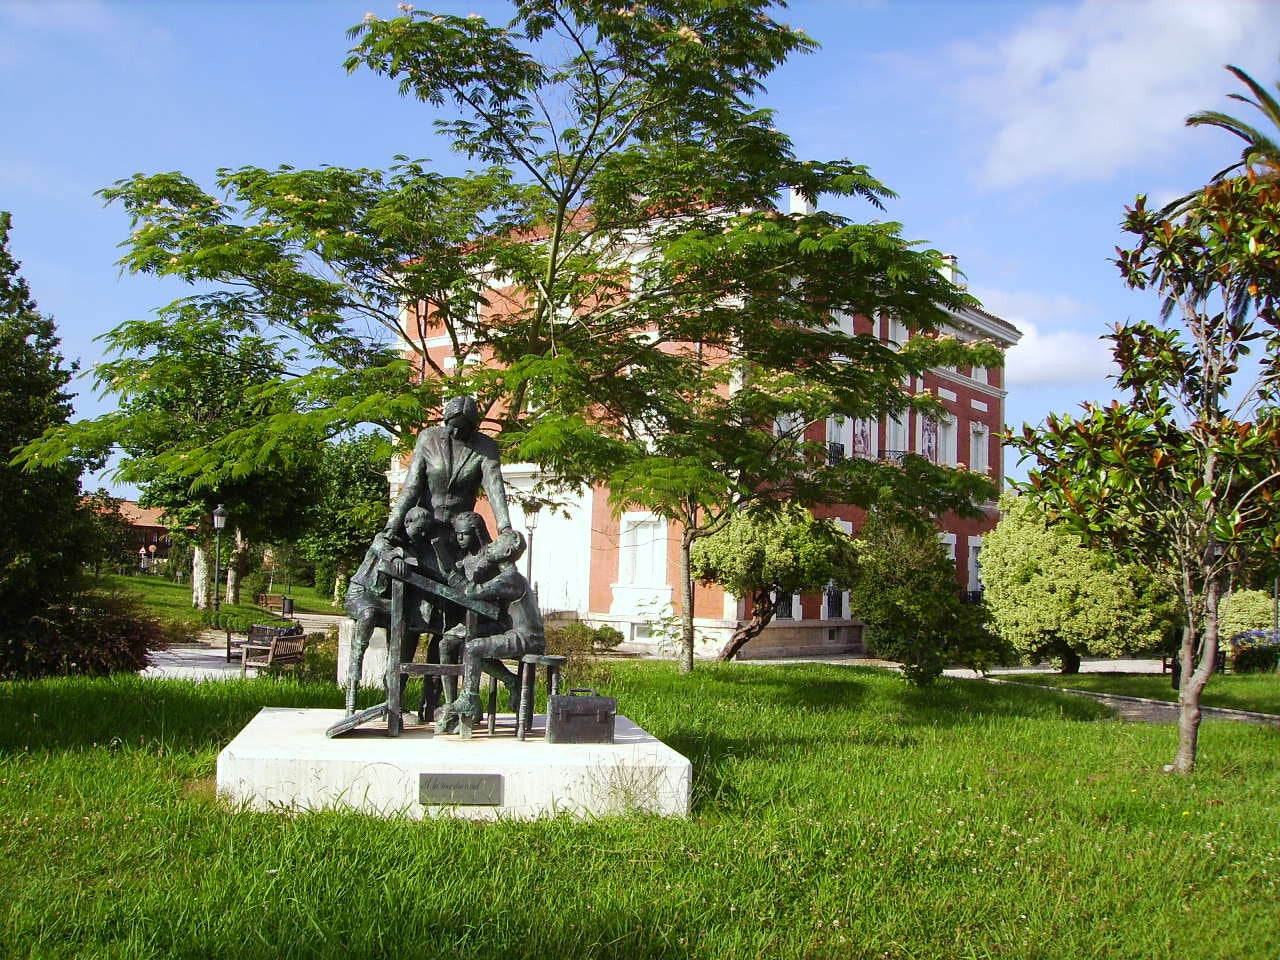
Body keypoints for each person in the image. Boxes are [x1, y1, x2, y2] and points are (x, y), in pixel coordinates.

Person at [436, 523, 545, 733]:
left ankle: (469, 700)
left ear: (507, 552)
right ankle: (510, 681)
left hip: (526, 638)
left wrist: (450, 574)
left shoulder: (510, 578)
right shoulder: (509, 577)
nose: (490, 546)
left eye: (496, 544)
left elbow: (473, 591)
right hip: (517, 632)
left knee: (472, 648)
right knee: (467, 644)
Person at [342, 506, 438, 716]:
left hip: (387, 603)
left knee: (403, 629)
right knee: (368, 614)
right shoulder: (385, 538)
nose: (422, 534)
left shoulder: (414, 549)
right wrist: (395, 558)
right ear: (407, 523)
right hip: (362, 594)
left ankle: (393, 701)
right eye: (419, 529)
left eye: (425, 531)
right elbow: (382, 549)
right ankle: (355, 670)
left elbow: (428, 571)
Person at [383, 396, 513, 546]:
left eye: (462, 428)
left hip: (460, 533)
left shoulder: (486, 447)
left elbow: (495, 487)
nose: (456, 432)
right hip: (425, 528)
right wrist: (392, 525)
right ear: (446, 421)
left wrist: (505, 528)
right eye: (453, 426)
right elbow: (411, 486)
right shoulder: (428, 438)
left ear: (472, 427)